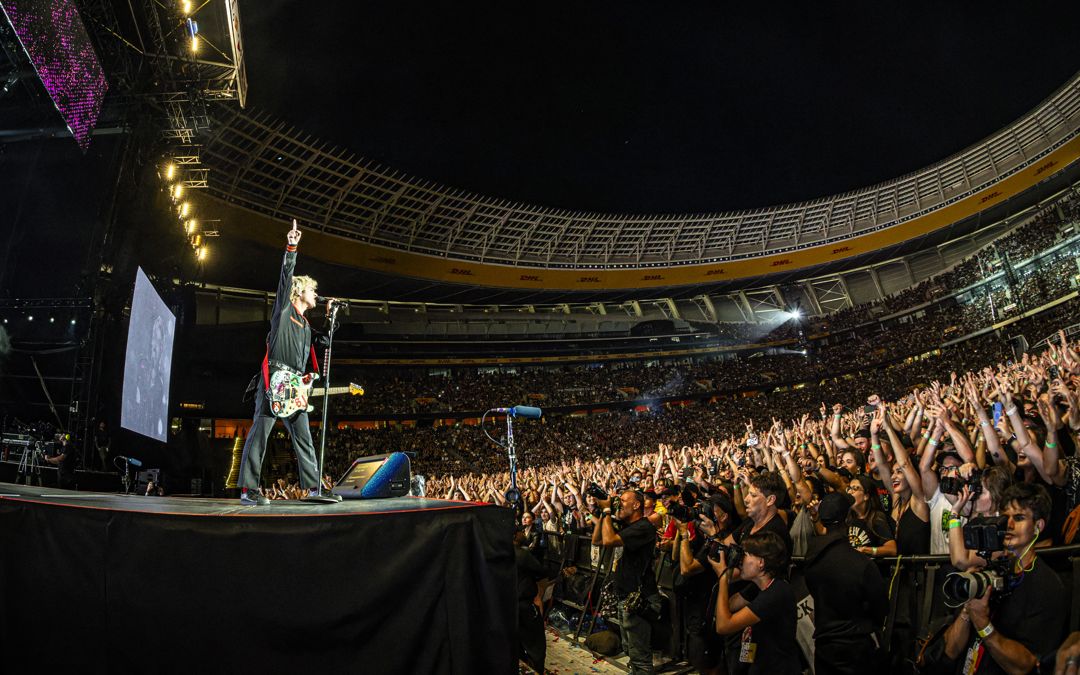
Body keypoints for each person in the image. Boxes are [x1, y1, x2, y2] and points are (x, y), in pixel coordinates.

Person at [236, 220, 323, 506]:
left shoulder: (307, 327)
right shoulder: (284, 311)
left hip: (294, 386)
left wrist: (307, 378)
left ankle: (313, 489)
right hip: (274, 380)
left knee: (304, 438)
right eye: (313, 291)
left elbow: (302, 362)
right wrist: (292, 248)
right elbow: (285, 278)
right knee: (261, 433)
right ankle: (249, 490)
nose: (316, 296)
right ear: (299, 293)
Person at [942, 483, 1067, 674]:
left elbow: (1026, 665)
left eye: (1019, 518)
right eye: (1004, 517)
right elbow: (950, 650)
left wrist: (983, 624)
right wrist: (968, 610)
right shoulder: (991, 570)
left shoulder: (1047, 585)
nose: (1008, 525)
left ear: (1038, 526)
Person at [803, 492, 888, 674]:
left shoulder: (811, 558)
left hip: (824, 647)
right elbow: (881, 607)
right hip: (856, 649)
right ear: (848, 519)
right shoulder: (861, 563)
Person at [707, 531, 800, 675]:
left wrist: (723, 578)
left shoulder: (777, 593)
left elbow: (723, 625)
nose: (740, 560)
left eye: (745, 555)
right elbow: (724, 609)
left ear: (761, 562)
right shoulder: (761, 588)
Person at [592, 488, 659, 675]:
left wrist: (607, 511)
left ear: (636, 505)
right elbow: (597, 539)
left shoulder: (643, 527)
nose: (618, 504)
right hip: (625, 597)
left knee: (640, 658)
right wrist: (601, 512)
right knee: (630, 651)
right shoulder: (626, 526)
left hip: (638, 598)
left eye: (622, 501)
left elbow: (608, 541)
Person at [514, 524, 547, 673]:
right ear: (515, 535)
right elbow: (541, 573)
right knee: (536, 644)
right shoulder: (522, 555)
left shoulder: (497, 554)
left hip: (506, 607)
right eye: (520, 531)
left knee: (516, 643)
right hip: (525, 606)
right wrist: (538, 596)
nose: (523, 533)